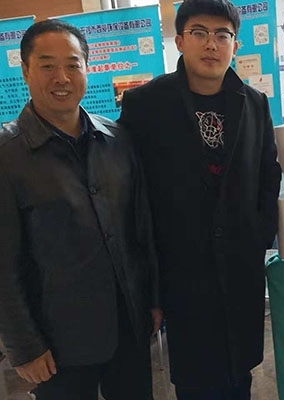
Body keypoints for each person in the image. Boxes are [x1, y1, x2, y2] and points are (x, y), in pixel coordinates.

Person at [117, 0, 281, 398]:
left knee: (240, 371)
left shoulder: (254, 102)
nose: (211, 44)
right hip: (180, 270)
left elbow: (267, 173)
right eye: (199, 33)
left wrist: (258, 235)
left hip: (239, 266)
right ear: (179, 41)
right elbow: (130, 189)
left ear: (235, 45)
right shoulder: (145, 104)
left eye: (222, 35)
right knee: (195, 378)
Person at [0, 19, 162, 400]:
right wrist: (23, 345)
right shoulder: (8, 155)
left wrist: (152, 300)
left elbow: (141, 229)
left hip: (127, 326)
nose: (62, 77)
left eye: (73, 65)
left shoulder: (116, 139)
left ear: (87, 69)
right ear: (25, 71)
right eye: (47, 65)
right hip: (58, 344)